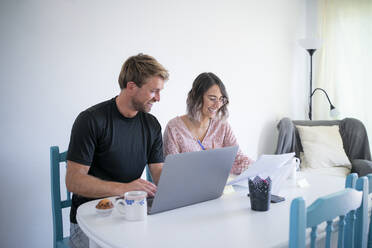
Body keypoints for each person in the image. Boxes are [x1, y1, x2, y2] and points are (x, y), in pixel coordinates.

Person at [66, 53, 169, 248]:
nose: (158, 98)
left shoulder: (152, 124)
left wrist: (186, 188)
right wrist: (123, 188)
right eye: (153, 91)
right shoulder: (91, 120)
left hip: (131, 213)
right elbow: (73, 181)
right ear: (131, 87)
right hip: (91, 217)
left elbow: (159, 174)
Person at [163, 72, 253, 175]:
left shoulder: (222, 125)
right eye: (212, 99)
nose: (217, 105)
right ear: (196, 97)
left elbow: (238, 158)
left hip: (215, 187)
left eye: (221, 99)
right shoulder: (174, 128)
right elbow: (172, 172)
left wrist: (259, 167)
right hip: (185, 188)